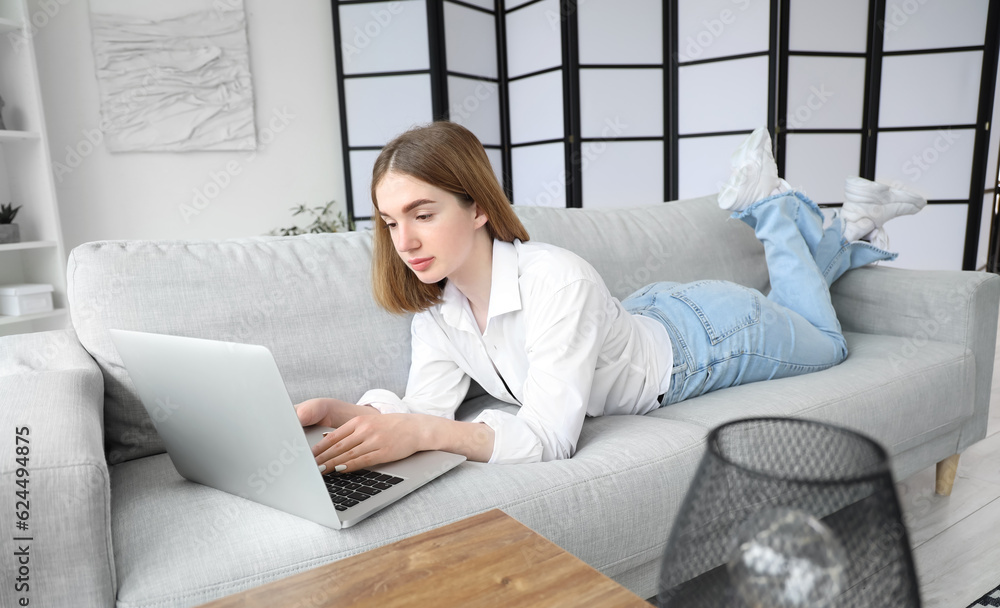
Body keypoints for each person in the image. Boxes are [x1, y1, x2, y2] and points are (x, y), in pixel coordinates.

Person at [297, 122, 925, 471]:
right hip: (644, 315)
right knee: (812, 317)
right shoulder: (438, 309)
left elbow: (547, 440)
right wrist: (365, 415)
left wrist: (426, 433)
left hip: (710, 339)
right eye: (388, 221)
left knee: (830, 346)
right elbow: (425, 407)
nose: (403, 240)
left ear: (479, 206)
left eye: (422, 214)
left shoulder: (555, 279)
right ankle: (853, 227)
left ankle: (768, 209)